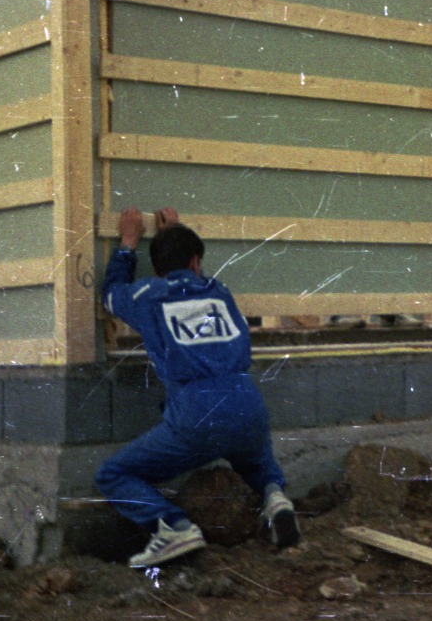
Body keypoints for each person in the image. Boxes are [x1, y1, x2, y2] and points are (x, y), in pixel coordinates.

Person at [94, 207, 300, 568]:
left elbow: (111, 294)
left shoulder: (148, 295)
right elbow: (189, 280)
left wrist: (128, 243)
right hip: (248, 401)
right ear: (195, 262)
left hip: (196, 412)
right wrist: (173, 232)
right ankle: (275, 496)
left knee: (113, 474)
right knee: (253, 458)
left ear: (156, 268)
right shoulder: (219, 291)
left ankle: (174, 527)